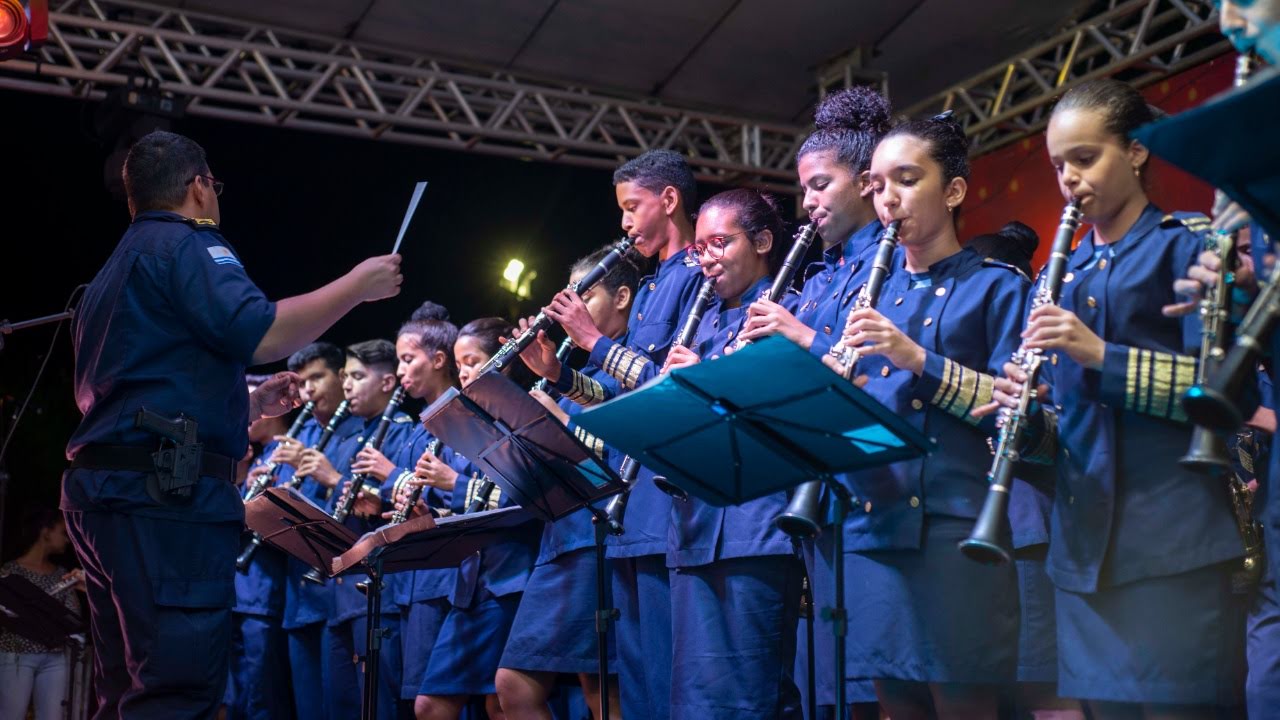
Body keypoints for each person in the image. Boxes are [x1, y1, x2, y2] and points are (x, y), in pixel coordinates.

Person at [63, 129, 402, 718]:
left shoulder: (109, 277)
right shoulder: (188, 246)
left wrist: (243, 407)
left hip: (105, 493)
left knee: (123, 692)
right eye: (213, 187)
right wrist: (358, 286)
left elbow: (136, 389)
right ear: (199, 187)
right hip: (163, 502)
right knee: (176, 691)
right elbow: (263, 332)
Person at [983, 78, 1245, 717]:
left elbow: (1222, 397)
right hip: (1082, 558)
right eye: (1057, 166)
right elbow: (1071, 428)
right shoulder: (1062, 277)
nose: (1069, 179)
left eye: (1085, 157)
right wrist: (1023, 420)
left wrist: (1099, 354)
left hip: (1172, 550)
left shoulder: (1187, 247)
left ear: (1135, 151)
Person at [828, 112, 1029, 719]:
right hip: (876, 526)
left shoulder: (997, 288)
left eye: (907, 179)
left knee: (963, 705)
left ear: (955, 191)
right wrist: (836, 403)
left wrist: (917, 359)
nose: (888, 198)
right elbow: (869, 425)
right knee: (898, 708)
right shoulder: (870, 296)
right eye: (879, 184)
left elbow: (1011, 413)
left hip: (956, 531)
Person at [734, 85, 892, 720]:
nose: (809, 203)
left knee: (878, 689)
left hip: (875, 490)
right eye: (804, 190)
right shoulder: (819, 279)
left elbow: (878, 371)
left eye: (821, 185)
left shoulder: (892, 261)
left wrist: (798, 334)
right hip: (818, 499)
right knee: (829, 690)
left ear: (865, 181)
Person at [531, 150, 704, 720]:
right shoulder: (654, 286)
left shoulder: (695, 278)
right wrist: (561, 377)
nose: (625, 223)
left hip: (665, 498)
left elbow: (668, 388)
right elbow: (622, 397)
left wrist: (593, 341)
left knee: (664, 672)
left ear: (669, 200)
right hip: (630, 503)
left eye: (633, 207)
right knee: (636, 678)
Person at [662, 188, 804, 719]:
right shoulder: (704, 323)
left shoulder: (789, 308)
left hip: (756, 529)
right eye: (699, 248)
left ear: (763, 241)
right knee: (696, 700)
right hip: (695, 526)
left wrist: (703, 381)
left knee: (753, 695)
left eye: (720, 242)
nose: (706, 259)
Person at [497, 243, 639, 720]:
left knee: (603, 692)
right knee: (515, 686)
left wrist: (560, 420)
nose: (570, 311)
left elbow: (626, 451)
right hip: (561, 536)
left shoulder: (631, 359)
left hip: (600, 534)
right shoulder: (577, 372)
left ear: (622, 297)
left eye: (585, 296)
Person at [413, 318, 542, 720]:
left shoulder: (524, 415)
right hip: (470, 583)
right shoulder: (463, 423)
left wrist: (452, 484)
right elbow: (467, 506)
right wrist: (428, 511)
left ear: (504, 362)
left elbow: (522, 500)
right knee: (435, 705)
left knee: (502, 702)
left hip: (510, 577)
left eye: (474, 361)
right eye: (460, 363)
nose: (464, 371)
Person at [325, 339, 416, 720]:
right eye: (345, 377)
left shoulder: (402, 432)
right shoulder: (354, 438)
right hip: (343, 595)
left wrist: (373, 497)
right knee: (345, 705)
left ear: (387, 383)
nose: (346, 386)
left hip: (382, 591)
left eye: (357, 377)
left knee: (381, 704)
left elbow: (408, 505)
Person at [272, 341, 362, 720]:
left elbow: (357, 514)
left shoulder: (363, 430)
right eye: (303, 383)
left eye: (317, 378)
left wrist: (329, 477)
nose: (308, 390)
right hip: (300, 591)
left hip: (341, 592)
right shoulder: (302, 434)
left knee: (339, 705)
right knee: (306, 706)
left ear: (340, 378)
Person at [223, 375, 295, 720]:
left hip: (264, 592)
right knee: (234, 698)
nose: (244, 415)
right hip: (234, 593)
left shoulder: (288, 450)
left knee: (262, 696)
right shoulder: (247, 457)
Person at [0, 509, 84, 720]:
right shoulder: (10, 572)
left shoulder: (61, 574)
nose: (67, 540)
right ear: (45, 532)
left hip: (54, 658)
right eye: (63, 533)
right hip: (16, 654)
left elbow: (74, 618)